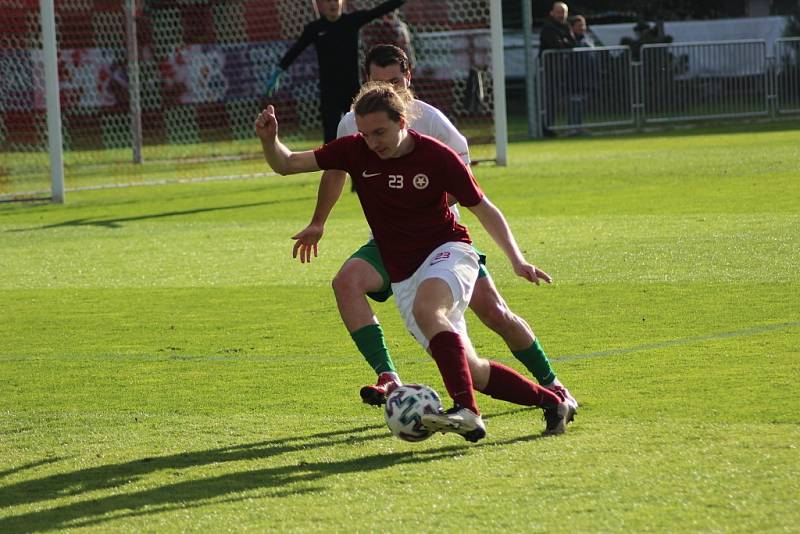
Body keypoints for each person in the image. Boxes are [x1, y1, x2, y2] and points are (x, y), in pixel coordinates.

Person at [255, 83, 576, 440]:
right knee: (473, 371)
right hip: (403, 274)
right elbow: (286, 163)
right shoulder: (354, 151)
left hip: (449, 251)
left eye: (380, 132)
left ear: (403, 121)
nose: (373, 142)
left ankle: (467, 412)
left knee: (431, 310)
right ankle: (552, 403)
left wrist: (517, 260)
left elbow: (484, 209)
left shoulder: (437, 156)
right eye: (365, 133)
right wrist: (270, 140)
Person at [266, 0, 406, 143]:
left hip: (352, 89)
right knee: (331, 135)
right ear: (322, 5)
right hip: (329, 90)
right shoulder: (315, 28)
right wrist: (279, 71)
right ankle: (332, 165)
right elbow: (295, 50)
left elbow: (380, 10)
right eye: (328, 1)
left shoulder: (352, 21)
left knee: (359, 131)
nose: (332, 4)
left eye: (336, 0)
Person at [539, 2, 575, 138]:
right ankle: (545, 128)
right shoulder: (548, 27)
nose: (561, 15)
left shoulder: (566, 26)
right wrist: (565, 42)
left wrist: (564, 41)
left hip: (562, 70)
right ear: (552, 13)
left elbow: (572, 43)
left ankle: (551, 126)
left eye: (564, 12)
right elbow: (557, 44)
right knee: (549, 100)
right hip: (549, 71)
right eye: (559, 12)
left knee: (557, 101)